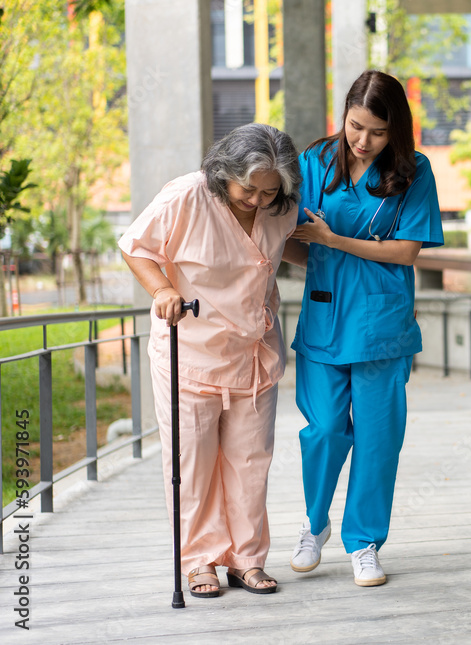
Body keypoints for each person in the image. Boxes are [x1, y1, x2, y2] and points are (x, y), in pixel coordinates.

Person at [119, 123, 301, 598]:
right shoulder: (186, 196)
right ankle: (200, 561)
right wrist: (162, 289)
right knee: (192, 463)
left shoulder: (281, 207)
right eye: (249, 189)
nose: (258, 200)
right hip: (191, 349)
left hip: (254, 352)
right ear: (225, 173)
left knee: (250, 461)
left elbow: (290, 243)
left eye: (269, 191)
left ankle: (246, 560)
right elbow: (135, 247)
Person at [282, 69, 443, 586]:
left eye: (377, 131)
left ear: (395, 128)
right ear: (344, 113)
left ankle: (365, 541)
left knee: (378, 438)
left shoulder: (413, 171)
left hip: (382, 323)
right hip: (327, 316)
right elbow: (288, 235)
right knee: (324, 428)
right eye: (356, 126)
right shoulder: (314, 162)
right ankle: (313, 525)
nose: (363, 140)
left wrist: (334, 244)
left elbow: (407, 250)